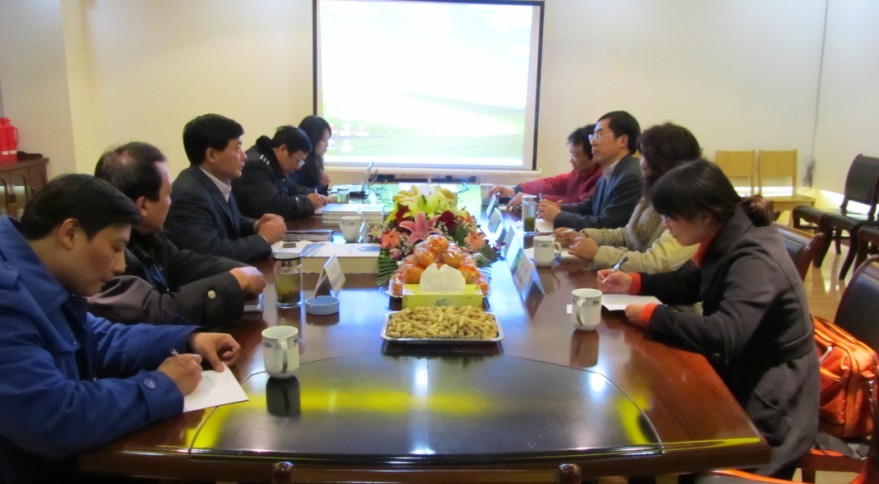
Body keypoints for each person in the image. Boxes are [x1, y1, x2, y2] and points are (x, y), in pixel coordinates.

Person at [0, 174, 241, 483]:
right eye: (115, 248)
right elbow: (52, 416)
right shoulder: (7, 298)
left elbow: (99, 338)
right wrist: (161, 385)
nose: (120, 266)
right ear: (70, 233)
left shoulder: (43, 276)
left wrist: (189, 338)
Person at [598, 160, 818, 478]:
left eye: (670, 216)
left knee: (658, 421)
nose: (666, 225)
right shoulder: (730, 233)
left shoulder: (754, 258)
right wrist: (635, 282)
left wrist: (653, 315)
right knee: (645, 414)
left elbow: (726, 334)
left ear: (703, 216)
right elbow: (695, 282)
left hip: (770, 400)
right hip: (741, 371)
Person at [89, 141, 267, 326]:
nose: (171, 201)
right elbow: (155, 313)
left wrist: (239, 270)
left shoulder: (149, 234)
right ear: (143, 205)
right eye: (167, 195)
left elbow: (183, 264)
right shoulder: (111, 255)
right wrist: (232, 282)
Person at [556, 123, 701, 273]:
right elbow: (628, 234)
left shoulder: (687, 202)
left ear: (665, 161)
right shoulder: (653, 191)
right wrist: (585, 235)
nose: (641, 163)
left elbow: (658, 261)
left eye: (646, 156)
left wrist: (598, 253)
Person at [164, 113, 286, 263]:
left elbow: (228, 221)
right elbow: (211, 253)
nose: (244, 156)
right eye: (238, 148)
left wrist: (256, 225)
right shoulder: (190, 195)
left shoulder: (217, 179)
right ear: (211, 155)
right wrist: (263, 238)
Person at [539, 111, 642, 230]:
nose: (593, 142)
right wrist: (559, 208)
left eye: (599, 135)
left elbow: (609, 225)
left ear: (622, 141)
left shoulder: (631, 176)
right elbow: (588, 207)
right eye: (593, 136)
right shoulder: (608, 173)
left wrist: (559, 216)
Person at [489, 124, 602, 209]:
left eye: (576, 156)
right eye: (571, 154)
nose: (571, 160)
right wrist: (515, 190)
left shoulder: (601, 177)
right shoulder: (580, 172)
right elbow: (552, 183)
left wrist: (535, 199)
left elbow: (577, 203)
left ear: (593, 154)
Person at [233, 124, 329, 219]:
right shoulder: (256, 166)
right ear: (283, 150)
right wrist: (307, 202)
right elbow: (272, 205)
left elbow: (291, 188)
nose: (298, 167)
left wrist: (314, 195)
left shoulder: (274, 162)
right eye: (298, 161)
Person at [291, 114, 332, 195]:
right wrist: (321, 185)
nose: (327, 145)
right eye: (324, 140)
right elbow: (296, 193)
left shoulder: (316, 160)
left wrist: (322, 184)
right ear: (313, 139)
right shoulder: (298, 162)